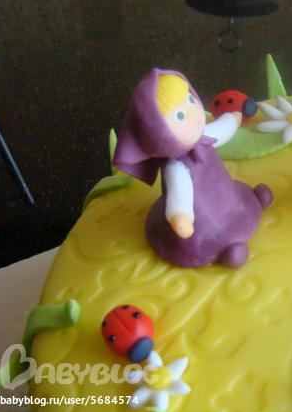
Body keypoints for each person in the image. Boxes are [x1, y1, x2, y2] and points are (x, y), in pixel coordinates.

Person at [113, 68, 273, 268]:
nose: (192, 114)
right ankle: (226, 249)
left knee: (233, 198)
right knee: (211, 228)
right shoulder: (176, 166)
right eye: (180, 115)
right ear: (159, 134)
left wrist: (234, 118)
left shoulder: (200, 135)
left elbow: (221, 131)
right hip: (203, 220)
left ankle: (251, 202)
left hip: (226, 194)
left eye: (190, 100)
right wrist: (181, 217)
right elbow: (180, 191)